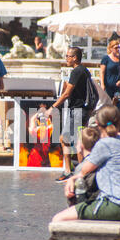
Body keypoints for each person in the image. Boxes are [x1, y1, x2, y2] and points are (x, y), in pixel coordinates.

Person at [19, 106, 120, 240]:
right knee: (69, 220)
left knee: (59, 220)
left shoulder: (106, 144)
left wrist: (71, 179)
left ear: (98, 124)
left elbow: (84, 170)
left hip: (116, 204)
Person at [45, 47, 92, 182]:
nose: (66, 58)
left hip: (77, 110)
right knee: (75, 141)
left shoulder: (77, 71)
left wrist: (52, 107)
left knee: (67, 140)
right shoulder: (84, 71)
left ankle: (72, 172)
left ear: (75, 58)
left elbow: (66, 94)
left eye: (68, 56)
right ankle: (77, 171)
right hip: (80, 110)